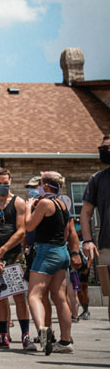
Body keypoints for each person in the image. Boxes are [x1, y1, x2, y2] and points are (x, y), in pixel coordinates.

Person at [26, 173, 81, 354]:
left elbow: (29, 225)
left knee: (34, 295)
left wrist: (28, 208)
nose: (38, 188)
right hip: (61, 251)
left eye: (40, 185)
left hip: (46, 251)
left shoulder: (45, 203)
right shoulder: (63, 204)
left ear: (47, 187)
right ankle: (65, 342)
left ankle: (43, 329)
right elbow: (68, 231)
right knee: (59, 297)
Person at [0, 167, 33, 350]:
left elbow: (21, 230)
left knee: (19, 296)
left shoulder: (19, 202)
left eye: (5, 183)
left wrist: (2, 250)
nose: (2, 186)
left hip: (13, 254)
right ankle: (3, 336)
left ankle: (26, 335)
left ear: (10, 182)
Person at [81, 134, 110, 322]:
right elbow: (85, 212)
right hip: (107, 245)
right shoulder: (97, 179)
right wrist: (88, 240)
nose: (104, 151)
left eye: (107, 147)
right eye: (102, 148)